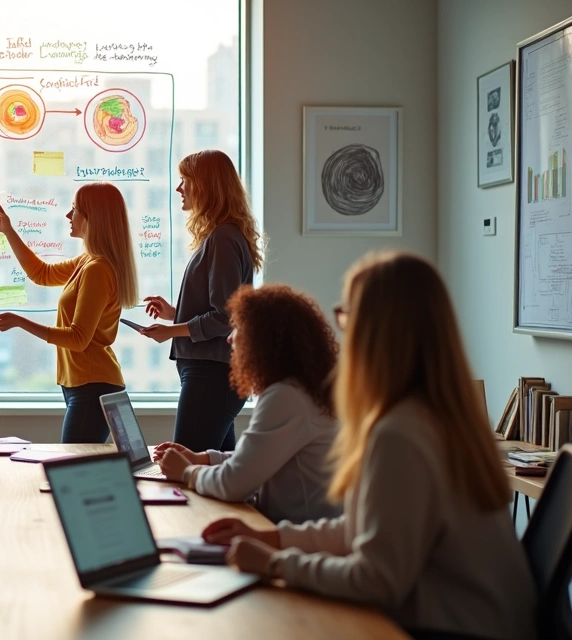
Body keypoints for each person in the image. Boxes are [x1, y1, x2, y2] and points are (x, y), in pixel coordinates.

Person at [203, 252, 536, 639]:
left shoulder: (400, 434)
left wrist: (276, 563)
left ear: (375, 331)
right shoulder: (437, 414)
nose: (342, 329)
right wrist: (273, 539)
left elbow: (377, 580)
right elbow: (366, 529)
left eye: (346, 314)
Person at [151, 284, 341, 524]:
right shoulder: (300, 390)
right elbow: (257, 458)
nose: (230, 338)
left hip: (292, 534)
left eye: (237, 328)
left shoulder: (286, 396)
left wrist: (187, 472)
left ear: (263, 339)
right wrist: (203, 459)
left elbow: (233, 484)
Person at [0, 182, 139, 443]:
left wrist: (20, 321)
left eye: (74, 209)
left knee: (74, 464)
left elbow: (78, 339)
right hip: (86, 384)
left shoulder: (97, 269)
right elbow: (41, 273)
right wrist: (8, 230)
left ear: (92, 218)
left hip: (92, 387)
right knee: (80, 463)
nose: (68, 215)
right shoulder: (88, 262)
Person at [140, 149, 263, 452]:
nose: (178, 188)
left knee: (185, 464)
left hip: (211, 374)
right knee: (214, 467)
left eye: (185, 180)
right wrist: (175, 313)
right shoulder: (223, 237)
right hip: (214, 374)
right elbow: (218, 310)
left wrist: (171, 331)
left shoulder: (222, 238)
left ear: (205, 186)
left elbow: (224, 317)